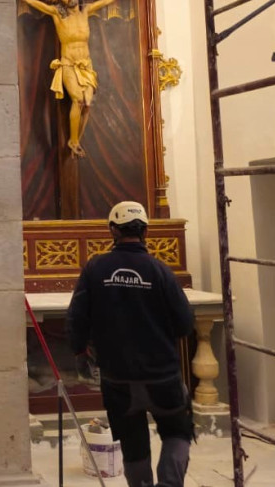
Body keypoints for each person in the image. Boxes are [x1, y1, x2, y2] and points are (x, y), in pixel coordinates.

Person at [67, 200, 195, 487]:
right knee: (177, 432)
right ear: (145, 231)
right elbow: (185, 323)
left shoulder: (96, 268)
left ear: (113, 230)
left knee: (133, 442)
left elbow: (77, 316)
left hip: (118, 377)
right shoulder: (160, 271)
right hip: (162, 375)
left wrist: (79, 351)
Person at [15, 0, 132, 157]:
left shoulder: (85, 11)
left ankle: (74, 140)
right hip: (68, 64)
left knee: (87, 104)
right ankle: (74, 141)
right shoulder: (57, 14)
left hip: (86, 65)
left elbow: (105, 1)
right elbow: (31, 1)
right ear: (61, 2)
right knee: (77, 99)